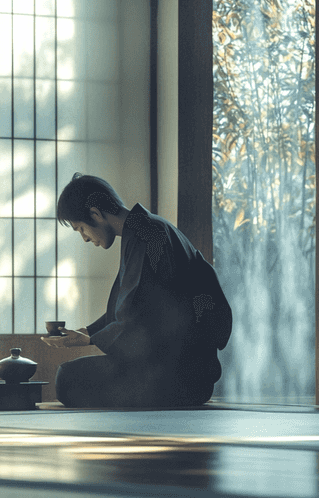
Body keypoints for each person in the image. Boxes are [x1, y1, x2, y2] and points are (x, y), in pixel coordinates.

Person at [40, 173, 232, 408]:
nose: (85, 239)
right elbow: (133, 307)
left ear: (95, 214)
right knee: (73, 375)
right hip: (184, 371)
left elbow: (142, 318)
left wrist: (90, 338)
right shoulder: (148, 229)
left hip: (177, 376)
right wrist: (87, 331)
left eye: (80, 229)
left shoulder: (147, 234)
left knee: (69, 378)